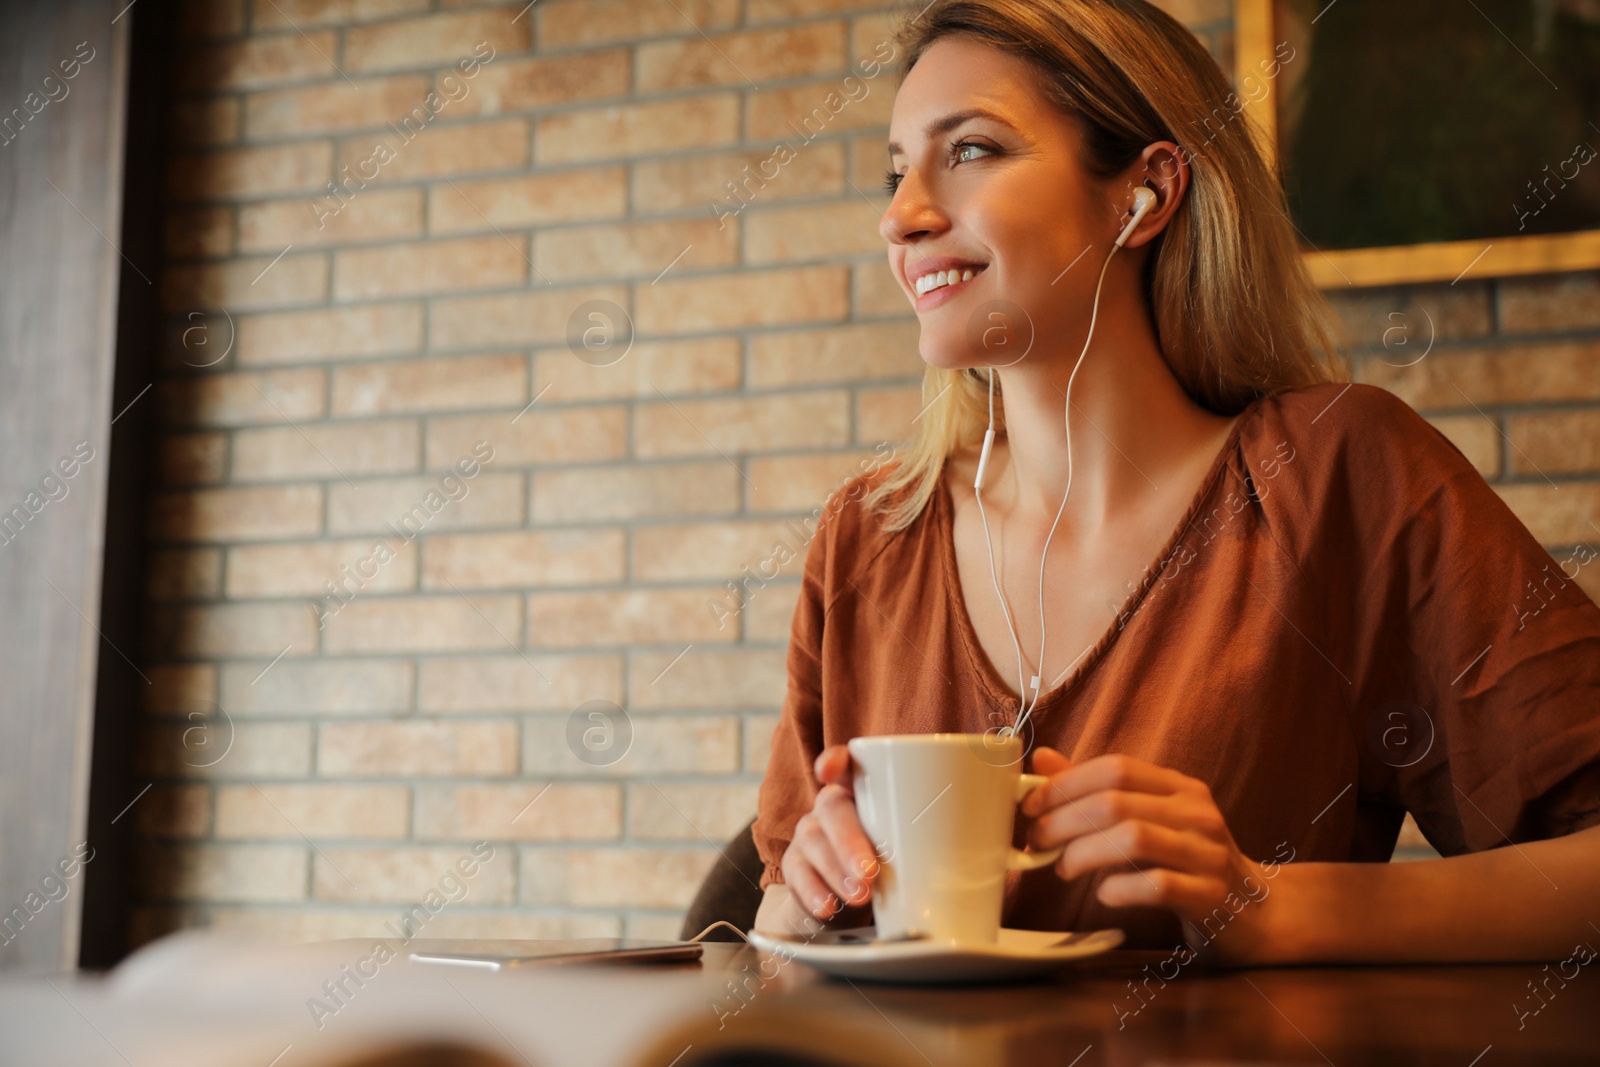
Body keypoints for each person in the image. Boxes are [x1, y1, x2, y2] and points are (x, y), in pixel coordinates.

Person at [750, 0, 1600, 965]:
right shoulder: (867, 538)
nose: (901, 216)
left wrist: (1270, 907)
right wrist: (804, 901)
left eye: (973, 150)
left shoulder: (1340, 477)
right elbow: (770, 942)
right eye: (898, 170)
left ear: (1144, 195)